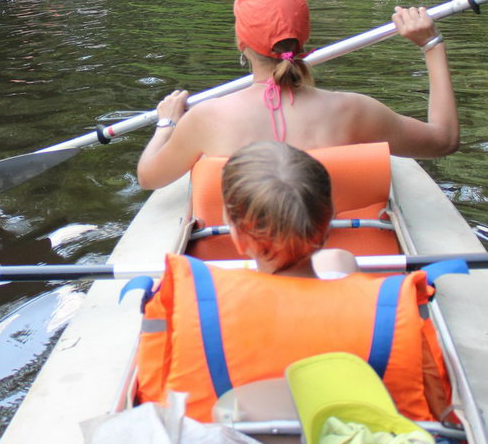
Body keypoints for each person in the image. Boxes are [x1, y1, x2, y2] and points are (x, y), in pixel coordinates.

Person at [134, 141, 452, 423]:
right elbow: (438, 406)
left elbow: (153, 397)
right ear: (328, 223)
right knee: (341, 261)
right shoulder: (396, 303)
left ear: (235, 231)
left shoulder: (190, 299)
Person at [136, 0, 458, 190]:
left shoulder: (205, 119)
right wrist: (432, 45)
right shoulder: (353, 110)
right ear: (304, 39)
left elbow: (148, 177)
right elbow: (444, 140)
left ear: (241, 43)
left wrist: (166, 123)